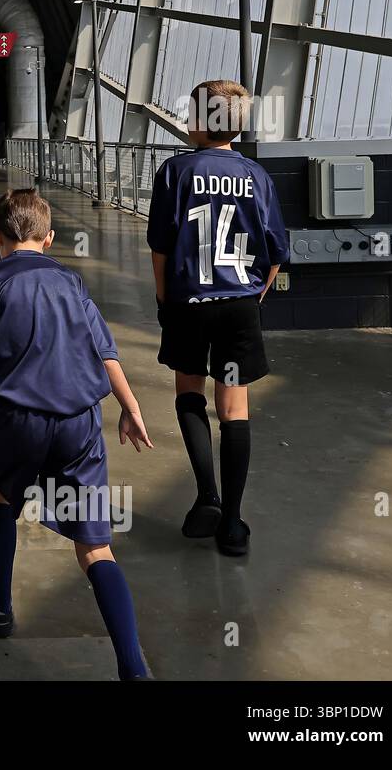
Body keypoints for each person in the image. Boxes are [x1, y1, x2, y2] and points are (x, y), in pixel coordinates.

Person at [0, 189, 153, 680]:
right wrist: (130, 408)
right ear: (50, 237)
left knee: (2, 493)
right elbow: (107, 355)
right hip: (78, 423)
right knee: (95, 548)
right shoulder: (71, 281)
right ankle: (133, 668)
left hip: (17, 421)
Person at [147, 80, 289, 557]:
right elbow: (275, 253)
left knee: (189, 391)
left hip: (189, 301)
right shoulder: (257, 177)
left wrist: (166, 303)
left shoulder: (174, 172)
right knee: (234, 410)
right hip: (239, 305)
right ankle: (232, 523)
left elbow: (161, 249)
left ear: (203, 120)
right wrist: (255, 297)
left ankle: (206, 496)